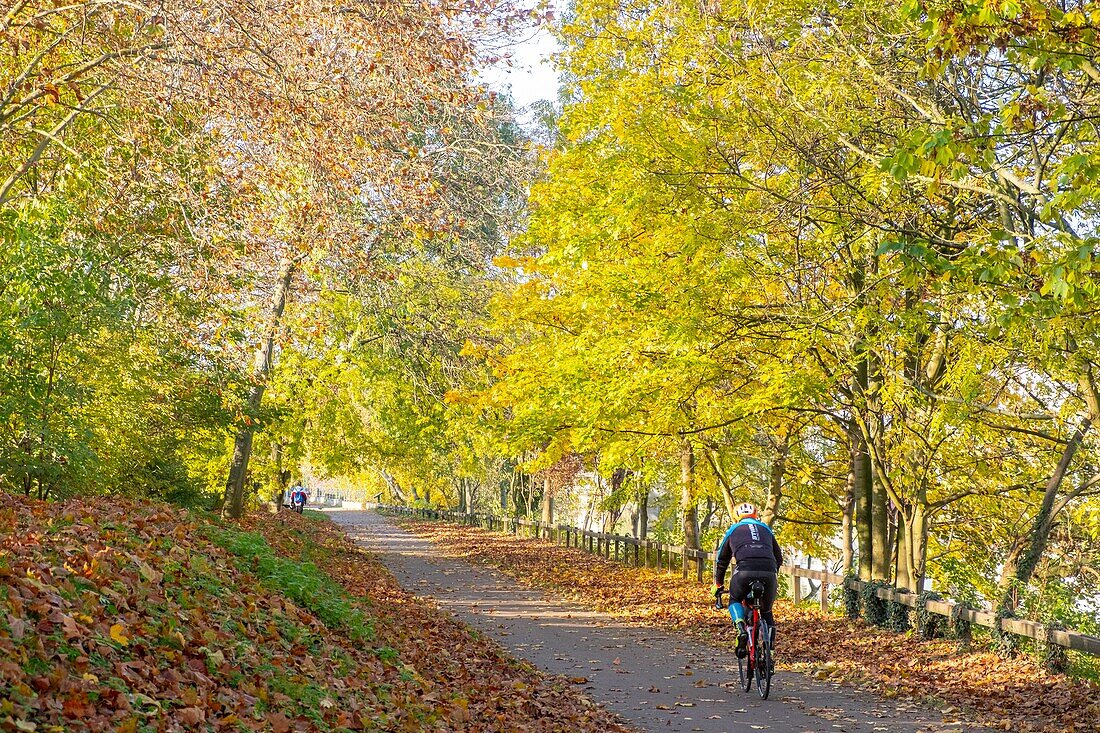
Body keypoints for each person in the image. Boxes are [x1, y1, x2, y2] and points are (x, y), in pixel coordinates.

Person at [712, 502, 782, 660]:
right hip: (769, 571)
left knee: (735, 599)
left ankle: (741, 627)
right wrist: (770, 574)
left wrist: (718, 584)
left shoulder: (733, 530)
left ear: (736, 516)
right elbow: (779, 558)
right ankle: (769, 652)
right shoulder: (766, 529)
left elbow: (721, 560)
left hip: (744, 571)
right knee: (767, 612)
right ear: (756, 514)